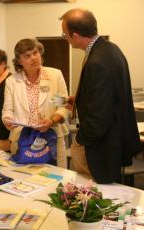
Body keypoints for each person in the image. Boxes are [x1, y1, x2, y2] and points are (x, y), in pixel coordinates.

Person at [60, 8, 141, 183]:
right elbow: (108, 97)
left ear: (74, 35)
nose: (65, 38)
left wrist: (80, 140)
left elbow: (99, 116)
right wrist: (79, 100)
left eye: (65, 34)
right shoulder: (110, 49)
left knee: (96, 191)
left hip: (103, 145)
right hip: (114, 137)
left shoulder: (98, 61)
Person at [2, 38, 69, 168]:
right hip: (22, 139)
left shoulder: (55, 75)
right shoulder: (11, 81)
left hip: (51, 138)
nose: (33, 58)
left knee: (54, 179)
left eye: (35, 53)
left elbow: (63, 105)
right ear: (19, 61)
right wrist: (7, 120)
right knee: (24, 181)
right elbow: (7, 109)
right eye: (27, 56)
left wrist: (52, 120)